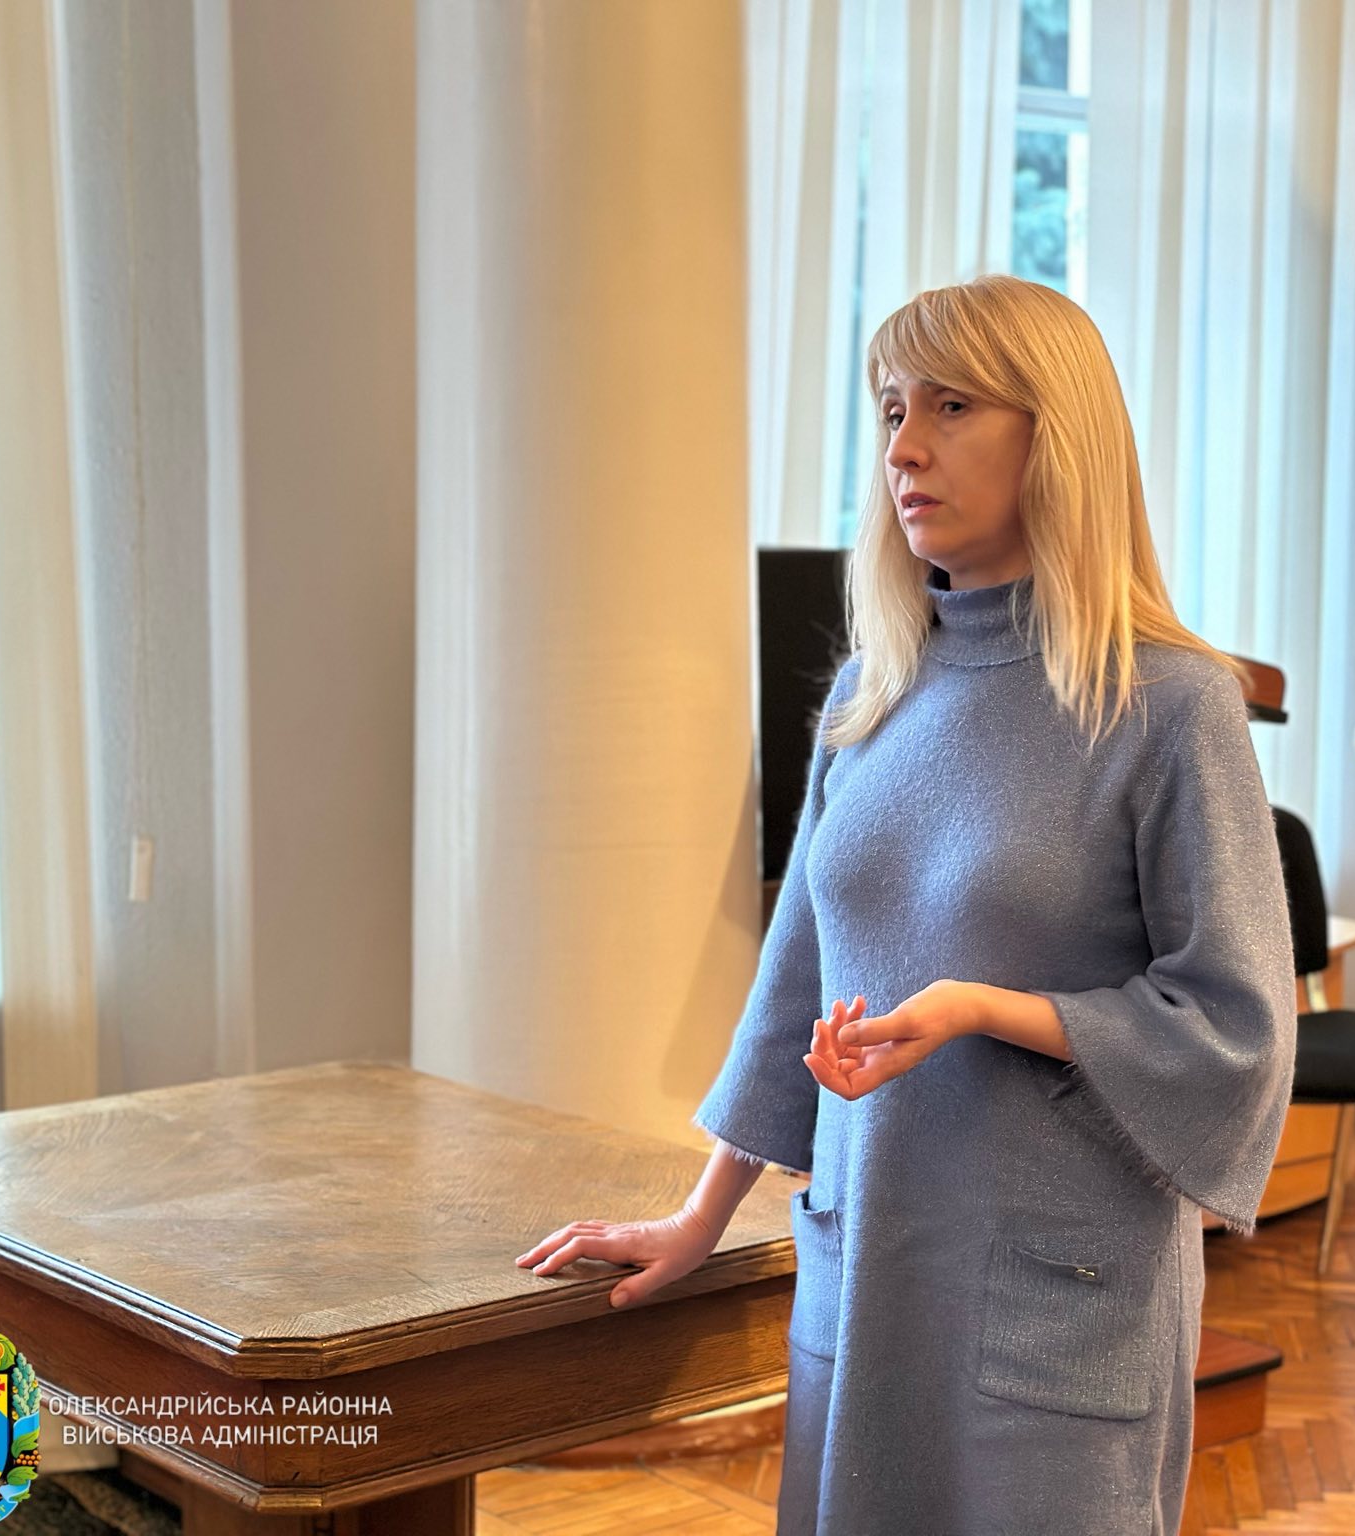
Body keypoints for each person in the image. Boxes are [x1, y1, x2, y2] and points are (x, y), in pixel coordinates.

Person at [514, 273, 1297, 1534]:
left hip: (1055, 1296)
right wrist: (699, 1216)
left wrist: (984, 1008)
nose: (904, 448)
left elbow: (1237, 1028)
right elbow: (796, 984)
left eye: (950, 405)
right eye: (889, 410)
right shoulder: (869, 695)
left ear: (1057, 436)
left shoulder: (1168, 704)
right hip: (864, 1266)